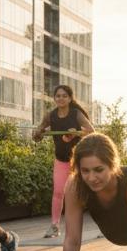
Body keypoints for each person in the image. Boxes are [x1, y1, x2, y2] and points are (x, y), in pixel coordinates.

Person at [32, 84, 95, 239]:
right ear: (54, 98)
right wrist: (38, 132)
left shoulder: (76, 114)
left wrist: (77, 133)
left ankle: (100, 221)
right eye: (58, 96)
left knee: (87, 191)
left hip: (79, 160)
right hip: (61, 160)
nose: (60, 98)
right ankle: (54, 226)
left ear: (70, 98)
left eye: (64, 96)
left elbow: (92, 132)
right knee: (58, 192)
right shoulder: (50, 116)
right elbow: (37, 137)